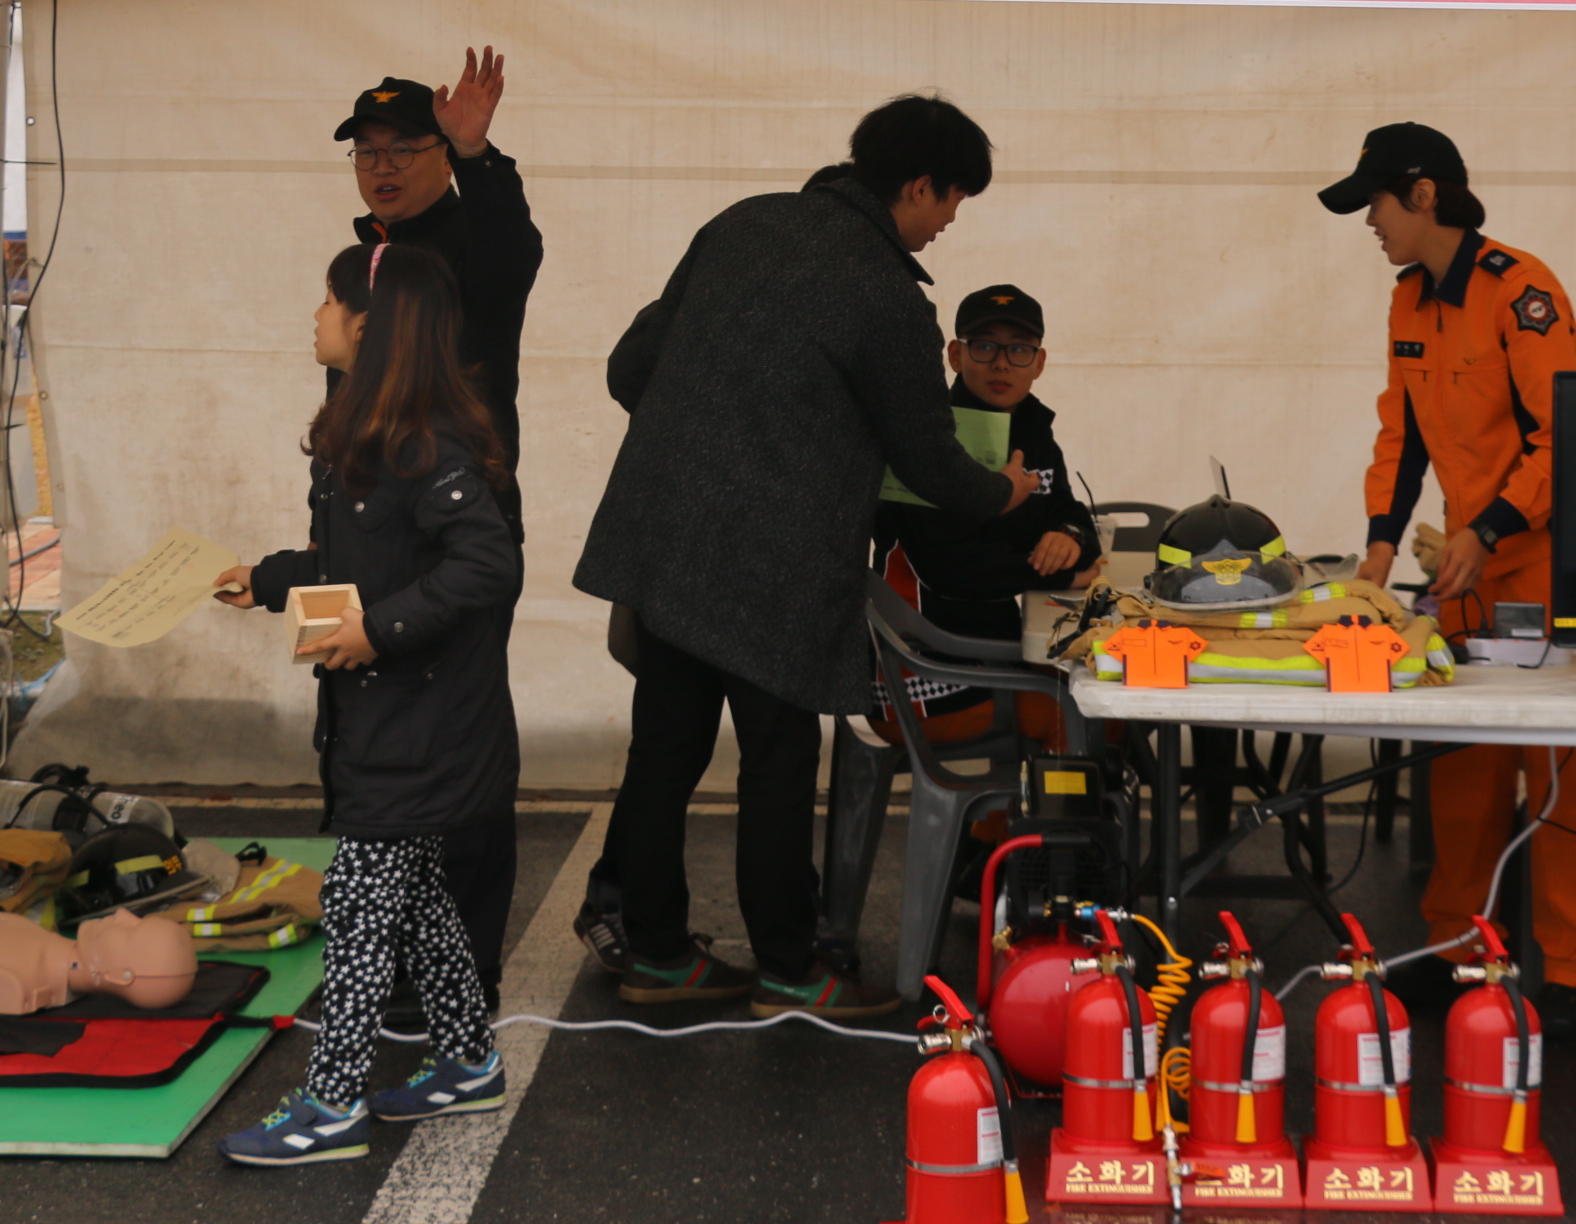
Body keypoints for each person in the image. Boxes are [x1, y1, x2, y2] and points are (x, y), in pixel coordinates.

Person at [575, 95, 1037, 1019]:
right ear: (918, 186)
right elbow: (928, 460)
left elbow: (631, 370)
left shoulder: (741, 225)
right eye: (954, 199)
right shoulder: (884, 293)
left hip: (664, 536)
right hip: (775, 563)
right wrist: (1005, 492)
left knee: (665, 747)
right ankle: (790, 965)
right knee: (778, 759)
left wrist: (713, 429)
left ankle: (656, 954)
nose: (951, 220)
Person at [209, 243, 521, 1167]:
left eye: (328, 300)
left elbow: (487, 563)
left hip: (425, 727)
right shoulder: (367, 434)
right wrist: (269, 580)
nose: (316, 315)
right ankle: (467, 1062)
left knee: (354, 902)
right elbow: (355, 561)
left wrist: (379, 632)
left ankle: (332, 1105)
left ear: (370, 325)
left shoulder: (426, 444)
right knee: (418, 896)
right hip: (387, 723)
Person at [1319, 124, 1576, 1032]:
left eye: (1375, 203)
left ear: (1423, 196)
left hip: (1548, 563)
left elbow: (1567, 436)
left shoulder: (1522, 292)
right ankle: (1459, 955)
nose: (1369, 222)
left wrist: (1489, 530)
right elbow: (1402, 434)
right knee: (1460, 771)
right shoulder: (1409, 300)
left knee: (1560, 777)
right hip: (1467, 573)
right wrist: (1378, 547)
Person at [334, 53, 540, 1015]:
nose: (382, 166)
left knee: (457, 751)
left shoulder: (473, 240)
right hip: (378, 525)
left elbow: (515, 252)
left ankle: (464, 967)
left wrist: (478, 155)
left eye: (402, 149)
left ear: (439, 156)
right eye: (366, 152)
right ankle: (411, 955)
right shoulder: (366, 258)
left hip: (461, 527)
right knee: (389, 744)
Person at [873, 283, 1100, 744]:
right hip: (925, 677)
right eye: (985, 346)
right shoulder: (926, 439)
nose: (1001, 363)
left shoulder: (1032, 430)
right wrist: (1059, 575)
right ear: (955, 355)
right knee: (1095, 716)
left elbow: (1070, 510)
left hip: (993, 653)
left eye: (1019, 349)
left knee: (1113, 691)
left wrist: (1069, 536)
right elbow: (949, 569)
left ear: (1039, 362)